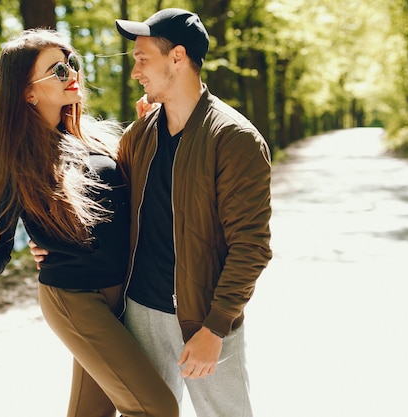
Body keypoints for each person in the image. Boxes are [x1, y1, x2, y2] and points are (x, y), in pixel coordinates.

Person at [30, 8, 272, 416]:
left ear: (177, 57)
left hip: (204, 319)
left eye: (143, 59)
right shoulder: (138, 136)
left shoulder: (234, 139)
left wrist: (215, 326)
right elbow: (109, 207)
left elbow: (251, 246)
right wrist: (54, 242)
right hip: (141, 311)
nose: (135, 72)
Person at [0, 29, 178, 417]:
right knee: (156, 407)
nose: (71, 73)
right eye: (58, 70)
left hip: (124, 291)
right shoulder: (13, 161)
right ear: (27, 92)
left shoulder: (90, 137)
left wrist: (143, 134)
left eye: (71, 64)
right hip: (76, 298)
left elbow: (125, 200)